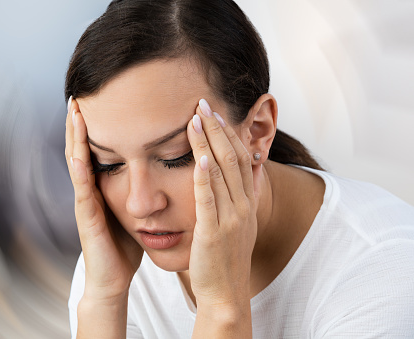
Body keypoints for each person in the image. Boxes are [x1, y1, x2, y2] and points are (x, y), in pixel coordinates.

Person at [64, 0, 414, 337]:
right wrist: (104, 299)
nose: (140, 204)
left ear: (258, 132)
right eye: (108, 163)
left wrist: (222, 307)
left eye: (176, 156)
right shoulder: (114, 267)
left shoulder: (384, 268)